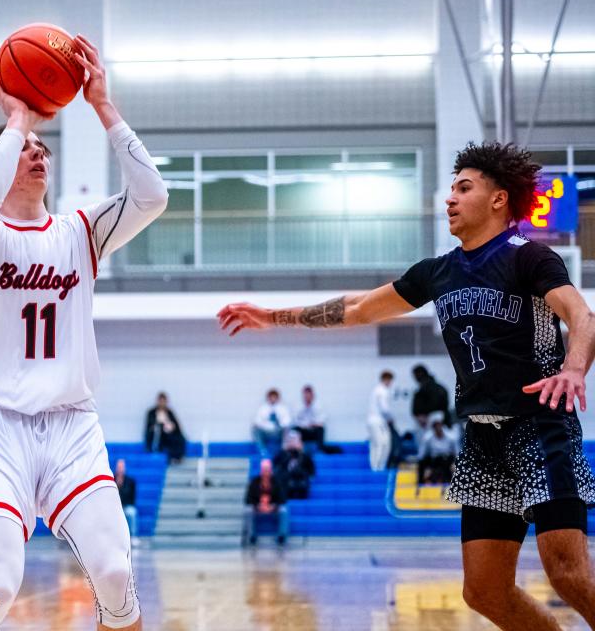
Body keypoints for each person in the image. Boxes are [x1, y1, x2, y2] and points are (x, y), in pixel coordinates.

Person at [217, 141, 595, 628]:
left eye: (464, 188)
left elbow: (581, 315)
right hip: (482, 436)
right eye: (451, 190)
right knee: (484, 591)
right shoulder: (438, 272)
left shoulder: (531, 259)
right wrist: (273, 317)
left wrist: (573, 369)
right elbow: (358, 308)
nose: (450, 199)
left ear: (498, 199)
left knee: (566, 573)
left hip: (539, 426)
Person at [0, 33, 166, 631]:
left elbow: (152, 195)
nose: (40, 154)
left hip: (71, 425)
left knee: (117, 576)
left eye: (44, 147)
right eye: (26, 149)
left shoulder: (80, 232)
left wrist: (103, 105)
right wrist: (16, 117)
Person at [242, 459, 289, 546]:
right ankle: (252, 536)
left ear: (271, 470)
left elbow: (282, 499)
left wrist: (273, 506)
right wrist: (257, 506)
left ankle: (281, 537)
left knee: (284, 510)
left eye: (267, 470)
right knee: (248, 510)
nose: (266, 472)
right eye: (264, 470)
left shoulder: (277, 482)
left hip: (272, 507)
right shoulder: (254, 482)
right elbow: (247, 499)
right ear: (261, 470)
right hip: (258, 507)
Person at [144, 392, 186, 464]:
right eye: (161, 401)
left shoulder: (169, 412)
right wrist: (161, 424)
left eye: (164, 401)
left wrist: (171, 426)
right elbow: (150, 426)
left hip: (169, 434)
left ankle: (177, 457)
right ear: (158, 401)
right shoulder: (151, 412)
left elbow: (176, 425)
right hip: (158, 435)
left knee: (180, 438)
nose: (162, 403)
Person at [273, 431, 316, 499]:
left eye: (294, 440)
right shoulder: (280, 455)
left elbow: (311, 471)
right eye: (290, 441)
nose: (292, 443)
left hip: (300, 480)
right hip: (285, 481)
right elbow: (276, 469)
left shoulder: (305, 456)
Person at [366, 371, 395, 471]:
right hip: (378, 421)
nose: (391, 383)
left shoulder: (376, 390)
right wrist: (390, 418)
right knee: (383, 444)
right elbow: (385, 409)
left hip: (373, 421)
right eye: (390, 381)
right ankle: (379, 468)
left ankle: (375, 467)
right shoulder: (382, 391)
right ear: (386, 379)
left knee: (375, 444)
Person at [417, 419, 458, 486]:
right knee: (422, 465)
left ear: (442, 425)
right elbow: (421, 456)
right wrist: (427, 467)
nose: (438, 427)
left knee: (454, 466)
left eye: (439, 425)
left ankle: (454, 485)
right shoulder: (427, 438)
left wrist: (454, 463)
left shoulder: (451, 437)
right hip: (434, 461)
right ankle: (420, 486)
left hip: (448, 461)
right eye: (435, 426)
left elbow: (457, 453)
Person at [251, 388, 290, 457]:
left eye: (274, 397)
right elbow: (257, 421)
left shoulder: (283, 408)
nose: (272, 398)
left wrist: (279, 424)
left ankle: (284, 451)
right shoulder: (263, 408)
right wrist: (262, 425)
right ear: (268, 398)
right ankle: (263, 451)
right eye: (271, 397)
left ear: (278, 398)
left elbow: (287, 421)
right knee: (255, 430)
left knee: (287, 429)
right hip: (266, 431)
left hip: (278, 431)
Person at [412, 364, 452, 431]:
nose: (415, 378)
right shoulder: (440, 387)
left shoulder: (425, 389)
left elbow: (435, 406)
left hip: (432, 423)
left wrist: (424, 415)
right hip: (441, 421)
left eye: (415, 375)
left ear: (419, 374)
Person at [113, 459, 138, 543]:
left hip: (126, 505)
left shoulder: (130, 481)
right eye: (119, 467)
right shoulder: (111, 480)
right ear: (116, 468)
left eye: (122, 467)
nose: (120, 469)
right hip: (114, 507)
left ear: (124, 468)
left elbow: (132, 498)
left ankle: (133, 536)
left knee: (131, 512)